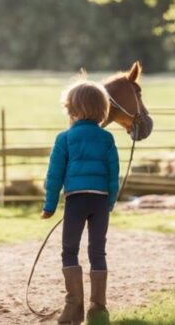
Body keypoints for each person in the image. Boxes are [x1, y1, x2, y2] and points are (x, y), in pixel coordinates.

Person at [41, 81, 119, 325]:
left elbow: (54, 176)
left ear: (72, 109)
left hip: (75, 201)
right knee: (97, 251)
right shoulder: (107, 138)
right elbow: (113, 175)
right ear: (101, 109)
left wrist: (50, 206)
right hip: (100, 201)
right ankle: (99, 310)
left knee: (69, 251)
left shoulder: (64, 138)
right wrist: (110, 203)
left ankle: (73, 307)